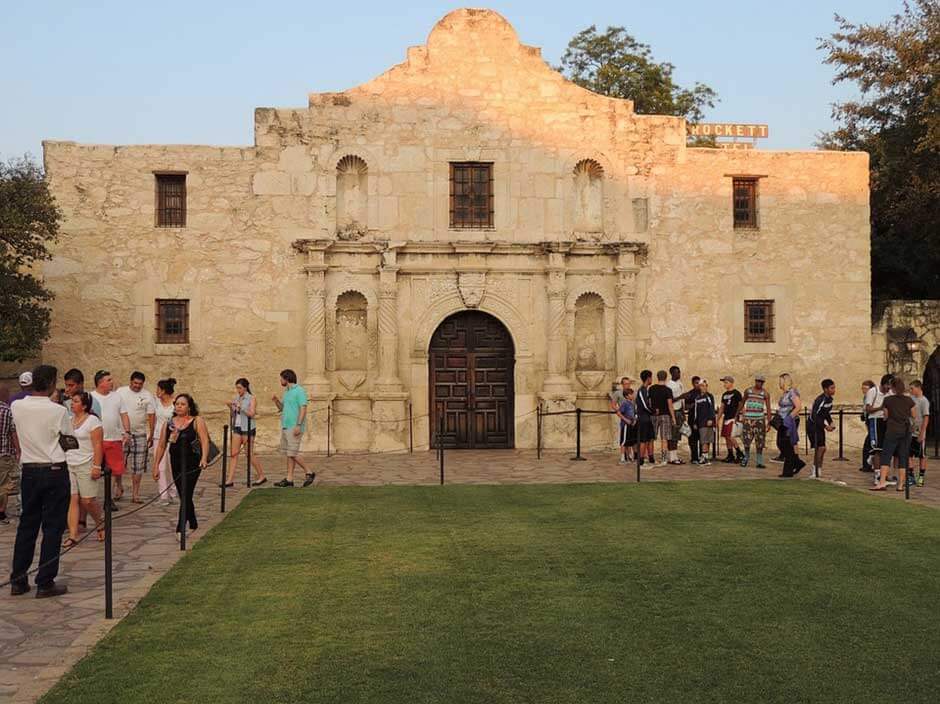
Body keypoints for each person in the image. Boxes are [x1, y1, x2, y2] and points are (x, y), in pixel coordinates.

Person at [9, 365, 73, 598]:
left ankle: (18, 579)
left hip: (30, 469)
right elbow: (68, 438)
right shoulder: (57, 411)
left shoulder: (17, 405)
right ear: (51, 384)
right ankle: (45, 581)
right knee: (53, 527)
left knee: (27, 524)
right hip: (54, 468)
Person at [154, 394, 209, 539]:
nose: (179, 406)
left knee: (186, 493)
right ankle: (193, 521)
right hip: (176, 462)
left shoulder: (197, 421)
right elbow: (161, 446)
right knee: (184, 493)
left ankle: (180, 528)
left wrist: (204, 458)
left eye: (182, 404)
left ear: (189, 406)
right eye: (177, 404)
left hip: (193, 462)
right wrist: (156, 465)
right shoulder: (169, 423)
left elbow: (204, 440)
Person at [62, 392, 104, 547]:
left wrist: (97, 466)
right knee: (72, 499)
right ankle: (73, 535)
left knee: (87, 500)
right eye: (72, 401)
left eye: (76, 401)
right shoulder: (68, 420)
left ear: (84, 405)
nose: (72, 404)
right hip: (69, 463)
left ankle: (100, 523)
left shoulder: (93, 421)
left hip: (86, 463)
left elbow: (98, 445)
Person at [90, 371, 130, 504]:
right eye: (108, 380)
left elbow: (124, 414)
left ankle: (109, 498)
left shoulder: (117, 397)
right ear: (100, 382)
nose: (112, 382)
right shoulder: (90, 397)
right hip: (96, 439)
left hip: (114, 438)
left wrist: (127, 432)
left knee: (113, 469)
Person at [870, 377, 915, 492]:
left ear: (893, 388)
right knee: (902, 457)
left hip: (892, 430)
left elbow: (885, 415)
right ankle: (900, 485)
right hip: (905, 431)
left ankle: (882, 482)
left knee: (886, 456)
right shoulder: (909, 400)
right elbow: (913, 415)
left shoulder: (888, 400)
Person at [116, 372, 156, 504]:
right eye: (135, 383)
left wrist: (151, 433)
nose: (137, 386)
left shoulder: (147, 395)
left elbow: (151, 415)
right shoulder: (120, 392)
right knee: (118, 464)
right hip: (122, 433)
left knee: (138, 465)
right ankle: (118, 487)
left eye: (140, 384)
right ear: (130, 381)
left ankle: (135, 493)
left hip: (140, 434)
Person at [272, 369, 315, 488]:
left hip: (294, 427)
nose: (280, 380)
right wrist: (276, 401)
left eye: (281, 378)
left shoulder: (299, 391)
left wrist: (298, 425)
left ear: (287, 378)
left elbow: (303, 408)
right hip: (286, 426)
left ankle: (309, 472)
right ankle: (289, 479)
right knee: (289, 453)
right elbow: (282, 408)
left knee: (292, 453)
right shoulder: (286, 392)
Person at [226, 378, 267, 487]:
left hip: (248, 428)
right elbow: (234, 415)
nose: (238, 390)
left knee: (249, 454)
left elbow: (252, 413)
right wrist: (231, 407)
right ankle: (229, 480)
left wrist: (241, 408)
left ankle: (261, 475)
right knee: (233, 454)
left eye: (239, 388)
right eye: (236, 388)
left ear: (245, 387)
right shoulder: (236, 398)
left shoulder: (251, 398)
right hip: (237, 427)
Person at [152, 378, 178, 506]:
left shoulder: (175, 404)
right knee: (160, 466)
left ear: (163, 391)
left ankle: (173, 492)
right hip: (158, 436)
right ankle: (163, 495)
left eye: (158, 389)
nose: (156, 392)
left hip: (171, 438)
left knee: (171, 466)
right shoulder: (156, 402)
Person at [738, 374, 772, 469]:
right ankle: (746, 457)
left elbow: (768, 409)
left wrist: (769, 422)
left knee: (760, 440)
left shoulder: (765, 394)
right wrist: (737, 414)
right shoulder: (748, 391)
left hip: (759, 419)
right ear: (755, 381)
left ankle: (759, 461)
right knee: (747, 439)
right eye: (758, 381)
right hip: (748, 419)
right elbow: (742, 402)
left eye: (761, 382)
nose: (759, 383)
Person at [775, 373, 805, 478]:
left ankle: (789, 469)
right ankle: (796, 462)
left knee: (785, 443)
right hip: (782, 421)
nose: (779, 383)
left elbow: (798, 406)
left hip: (789, 421)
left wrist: (789, 418)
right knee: (781, 443)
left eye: (780, 381)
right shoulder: (784, 393)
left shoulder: (792, 392)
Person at [0, 385, 21, 526]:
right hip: (4, 453)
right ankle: (1, 511)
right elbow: (13, 433)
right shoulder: (8, 411)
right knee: (4, 484)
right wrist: (18, 450)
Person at [808, 379, 836, 479]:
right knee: (819, 448)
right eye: (831, 388)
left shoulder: (830, 400)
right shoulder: (820, 400)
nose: (834, 390)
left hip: (819, 425)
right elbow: (814, 416)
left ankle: (819, 469)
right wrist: (825, 426)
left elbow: (826, 413)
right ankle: (814, 470)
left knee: (822, 449)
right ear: (825, 389)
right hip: (813, 426)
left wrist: (830, 422)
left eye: (834, 387)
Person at [649, 371, 676, 466]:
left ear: (657, 377)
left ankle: (650, 457)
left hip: (654, 415)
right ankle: (664, 458)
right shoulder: (668, 390)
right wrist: (673, 418)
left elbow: (649, 402)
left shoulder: (651, 389)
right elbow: (670, 405)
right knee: (664, 438)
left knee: (651, 437)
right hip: (665, 415)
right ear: (665, 378)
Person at [717, 376, 744, 464]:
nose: (724, 384)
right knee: (726, 436)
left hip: (733, 417)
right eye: (724, 382)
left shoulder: (736, 393)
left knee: (731, 436)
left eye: (726, 382)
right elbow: (722, 407)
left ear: (731, 383)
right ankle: (730, 454)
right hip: (726, 417)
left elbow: (741, 405)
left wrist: (742, 416)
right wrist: (718, 418)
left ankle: (739, 453)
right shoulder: (724, 395)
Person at [910, 380, 930, 487]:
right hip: (911, 431)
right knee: (909, 454)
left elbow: (926, 417)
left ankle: (921, 476)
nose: (911, 391)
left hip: (919, 431)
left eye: (912, 388)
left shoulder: (924, 401)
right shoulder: (911, 399)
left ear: (918, 388)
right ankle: (911, 476)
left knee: (921, 455)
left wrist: (922, 433)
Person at [634, 370, 656, 466]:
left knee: (650, 438)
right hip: (643, 418)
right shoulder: (642, 390)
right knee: (643, 439)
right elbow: (645, 405)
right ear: (648, 378)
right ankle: (641, 459)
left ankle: (651, 458)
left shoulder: (646, 390)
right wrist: (653, 411)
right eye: (651, 377)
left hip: (648, 418)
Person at [666, 366, 686, 466]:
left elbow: (682, 400)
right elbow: (669, 400)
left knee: (677, 435)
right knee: (672, 435)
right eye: (676, 372)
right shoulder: (669, 385)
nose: (678, 374)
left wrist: (683, 411)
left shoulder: (680, 383)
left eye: (679, 372)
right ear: (672, 373)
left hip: (680, 411)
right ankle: (671, 456)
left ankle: (675, 456)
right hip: (673, 411)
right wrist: (680, 397)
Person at [695, 380, 716, 465]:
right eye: (702, 386)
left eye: (705, 386)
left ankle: (705, 457)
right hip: (701, 422)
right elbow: (696, 411)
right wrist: (695, 422)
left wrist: (711, 419)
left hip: (707, 422)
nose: (703, 388)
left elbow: (711, 408)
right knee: (703, 440)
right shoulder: (697, 398)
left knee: (706, 440)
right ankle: (705, 456)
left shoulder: (709, 396)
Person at [615, 387, 637, 464]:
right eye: (631, 394)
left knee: (629, 442)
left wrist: (634, 421)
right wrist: (625, 420)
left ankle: (628, 457)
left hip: (631, 425)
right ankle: (622, 458)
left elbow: (632, 414)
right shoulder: (625, 403)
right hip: (625, 425)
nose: (633, 395)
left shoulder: (632, 403)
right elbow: (618, 413)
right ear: (627, 396)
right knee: (624, 442)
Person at [860, 380, 877, 474]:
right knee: (869, 444)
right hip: (869, 421)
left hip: (872, 422)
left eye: (865, 388)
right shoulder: (865, 397)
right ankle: (867, 464)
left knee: (869, 444)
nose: (864, 390)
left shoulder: (872, 397)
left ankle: (868, 464)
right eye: (863, 388)